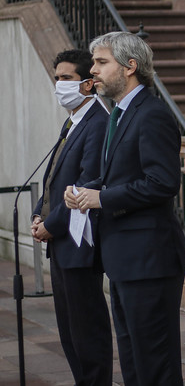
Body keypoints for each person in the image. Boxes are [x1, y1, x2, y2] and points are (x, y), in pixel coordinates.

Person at [64, 31, 185, 385]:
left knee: (156, 366)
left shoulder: (151, 114)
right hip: (124, 258)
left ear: (130, 66)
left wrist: (102, 198)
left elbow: (162, 183)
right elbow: (118, 176)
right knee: (134, 363)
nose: (93, 70)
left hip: (150, 260)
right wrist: (84, 191)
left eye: (101, 62)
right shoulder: (119, 113)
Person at [31, 49, 112, 385]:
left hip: (79, 242)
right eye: (56, 78)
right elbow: (55, 177)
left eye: (66, 78)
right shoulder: (73, 120)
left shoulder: (98, 122)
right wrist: (39, 214)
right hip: (60, 241)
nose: (59, 85)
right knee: (69, 331)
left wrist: (50, 225)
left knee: (86, 331)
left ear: (88, 84)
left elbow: (87, 183)